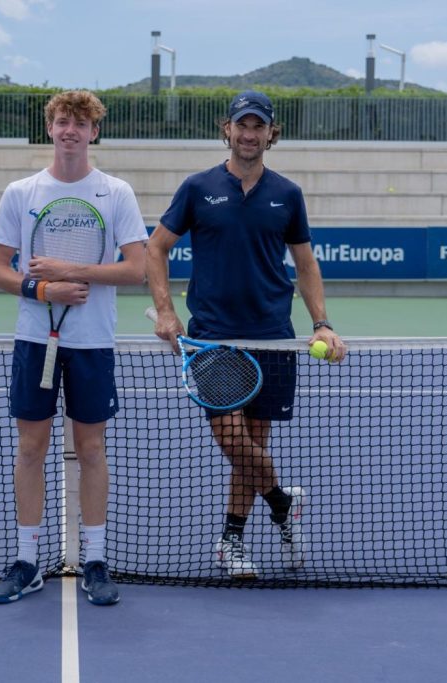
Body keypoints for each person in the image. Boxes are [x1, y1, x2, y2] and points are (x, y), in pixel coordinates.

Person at [145, 90, 347, 579]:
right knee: (233, 440)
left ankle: (231, 539)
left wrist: (321, 322)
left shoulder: (288, 194)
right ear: (227, 130)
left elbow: (305, 263)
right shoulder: (198, 188)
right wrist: (166, 312)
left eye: (259, 126)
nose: (250, 134)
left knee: (254, 442)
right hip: (213, 339)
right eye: (242, 125)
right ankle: (282, 503)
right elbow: (156, 248)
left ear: (271, 133)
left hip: (273, 337)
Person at [0, 91, 148, 606]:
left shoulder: (116, 192)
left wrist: (67, 271)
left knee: (92, 450)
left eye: (80, 123)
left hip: (93, 343)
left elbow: (136, 269)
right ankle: (27, 561)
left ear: (94, 132)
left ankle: (95, 561)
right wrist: (41, 290)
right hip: (35, 340)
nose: (70, 131)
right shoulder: (21, 191)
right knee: (30, 449)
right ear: (49, 129)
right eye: (62, 122)